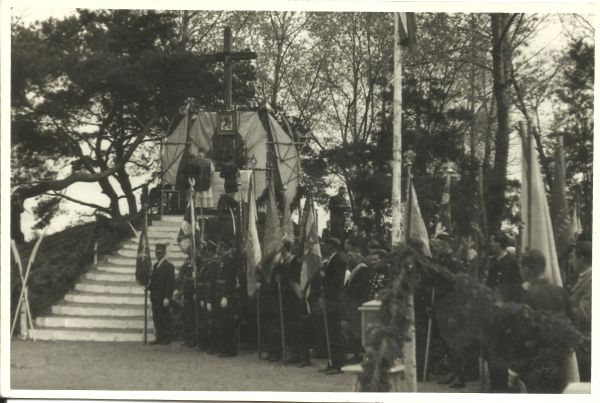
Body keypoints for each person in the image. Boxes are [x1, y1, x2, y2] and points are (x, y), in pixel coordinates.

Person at [485, 231, 523, 392]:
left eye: (492, 241)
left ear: (499, 243)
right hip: (493, 311)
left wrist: (504, 300)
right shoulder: (492, 261)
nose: (490, 244)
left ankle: (503, 387)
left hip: (506, 312)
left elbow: (516, 286)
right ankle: (494, 385)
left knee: (503, 351)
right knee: (491, 350)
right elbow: (489, 284)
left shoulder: (512, 261)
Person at [318, 237, 348, 375]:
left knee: (335, 333)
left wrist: (324, 275)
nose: (323, 247)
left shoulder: (338, 260)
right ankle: (332, 362)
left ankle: (338, 364)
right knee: (331, 332)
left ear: (332, 246)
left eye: (326, 244)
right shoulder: (333, 259)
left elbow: (335, 282)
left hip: (334, 300)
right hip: (332, 299)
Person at [568, 241, 592, 382]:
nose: (571, 261)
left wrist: (564, 309)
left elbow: (586, 315)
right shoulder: (583, 277)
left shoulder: (592, 280)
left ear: (582, 258)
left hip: (586, 342)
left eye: (573, 257)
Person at [213, 239, 237, 357]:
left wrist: (226, 296)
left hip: (226, 296)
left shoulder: (230, 260)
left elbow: (230, 280)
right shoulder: (223, 261)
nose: (219, 249)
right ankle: (225, 348)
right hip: (220, 295)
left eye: (220, 247)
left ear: (225, 247)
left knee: (227, 323)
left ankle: (229, 349)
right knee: (222, 322)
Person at [148, 243, 175, 345]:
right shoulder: (155, 266)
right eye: (156, 252)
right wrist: (148, 286)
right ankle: (159, 337)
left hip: (163, 297)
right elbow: (154, 282)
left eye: (160, 252)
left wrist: (167, 297)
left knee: (164, 317)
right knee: (157, 317)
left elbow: (170, 283)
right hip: (155, 297)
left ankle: (167, 338)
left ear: (164, 253)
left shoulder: (169, 266)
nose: (158, 254)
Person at [197, 240, 219, 352]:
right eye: (207, 251)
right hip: (205, 296)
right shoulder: (206, 265)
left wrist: (210, 299)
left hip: (211, 296)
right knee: (205, 321)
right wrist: (201, 298)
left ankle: (212, 346)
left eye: (209, 251)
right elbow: (202, 282)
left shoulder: (215, 264)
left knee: (211, 322)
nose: (207, 253)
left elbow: (212, 283)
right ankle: (204, 345)